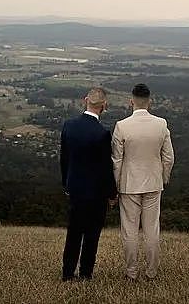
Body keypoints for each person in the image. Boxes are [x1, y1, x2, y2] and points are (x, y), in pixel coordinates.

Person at [112, 83, 175, 280]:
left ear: (131, 101)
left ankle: (131, 272)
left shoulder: (121, 126)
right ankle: (151, 271)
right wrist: (163, 178)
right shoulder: (161, 124)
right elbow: (169, 158)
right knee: (152, 229)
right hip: (153, 183)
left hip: (129, 185)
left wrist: (115, 187)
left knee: (129, 230)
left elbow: (116, 161)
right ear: (150, 102)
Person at [60, 87, 118, 281]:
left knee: (74, 232)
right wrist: (112, 194)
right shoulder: (102, 133)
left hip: (75, 187)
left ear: (85, 100)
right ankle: (86, 273)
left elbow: (64, 159)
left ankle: (68, 272)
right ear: (104, 106)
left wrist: (66, 184)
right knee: (92, 235)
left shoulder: (69, 126)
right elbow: (105, 168)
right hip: (95, 193)